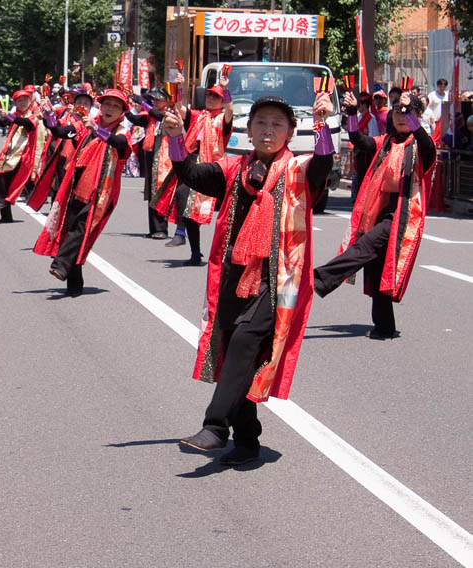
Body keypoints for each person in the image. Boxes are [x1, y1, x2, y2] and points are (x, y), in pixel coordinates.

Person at [164, 93, 334, 465]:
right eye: (261, 123)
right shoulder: (233, 169)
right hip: (232, 274)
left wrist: (323, 123)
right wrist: (176, 139)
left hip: (276, 282)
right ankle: (246, 441)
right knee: (233, 354)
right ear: (249, 129)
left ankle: (215, 426)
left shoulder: (299, 171)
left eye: (277, 124)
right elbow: (191, 174)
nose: (268, 130)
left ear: (290, 132)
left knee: (243, 342)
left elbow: (324, 163)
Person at [313, 91, 434, 340]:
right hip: (378, 212)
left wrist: (408, 108)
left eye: (408, 113)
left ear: (417, 117)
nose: (401, 117)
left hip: (402, 214)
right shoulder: (385, 142)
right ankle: (384, 326)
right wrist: (353, 113)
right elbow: (358, 140)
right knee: (377, 267)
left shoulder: (422, 145)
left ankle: (318, 279)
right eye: (398, 112)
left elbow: (424, 142)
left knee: (363, 248)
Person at [33, 89, 131, 297]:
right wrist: (49, 116)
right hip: (77, 186)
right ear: (100, 107)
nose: (110, 109)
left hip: (102, 191)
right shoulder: (85, 126)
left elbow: (119, 144)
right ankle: (74, 284)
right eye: (107, 104)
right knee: (71, 230)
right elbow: (61, 132)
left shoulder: (122, 131)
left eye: (116, 106)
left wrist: (97, 130)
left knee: (80, 229)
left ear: (122, 111)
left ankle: (60, 264)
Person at [155, 74, 234, 266]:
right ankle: (193, 250)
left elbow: (231, 111)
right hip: (192, 160)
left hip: (213, 167)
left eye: (216, 97)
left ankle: (230, 253)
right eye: (209, 95)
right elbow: (180, 109)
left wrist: (226, 89)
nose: (211, 98)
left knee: (228, 212)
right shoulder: (199, 116)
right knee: (184, 198)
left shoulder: (223, 118)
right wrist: (180, 87)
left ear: (222, 101)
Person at [27, 90, 91, 211]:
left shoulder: (95, 123)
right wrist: (48, 114)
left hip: (85, 166)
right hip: (65, 161)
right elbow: (56, 128)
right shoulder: (70, 119)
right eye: (80, 102)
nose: (83, 105)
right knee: (58, 190)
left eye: (86, 103)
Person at [0, 89, 38, 222]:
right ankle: (6, 216)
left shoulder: (33, 115)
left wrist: (9, 116)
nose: (22, 102)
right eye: (19, 101)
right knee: (4, 182)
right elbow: (2, 124)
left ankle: (3, 200)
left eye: (25, 100)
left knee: (0, 172)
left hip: (23, 156)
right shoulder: (16, 115)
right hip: (10, 154)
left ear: (30, 101)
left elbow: (27, 124)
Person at [125, 88, 172, 238]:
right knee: (151, 193)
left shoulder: (169, 114)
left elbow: (157, 115)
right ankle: (153, 228)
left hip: (164, 158)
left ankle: (161, 229)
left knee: (160, 191)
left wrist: (143, 104)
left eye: (159, 99)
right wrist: (125, 107)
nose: (155, 102)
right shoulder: (150, 116)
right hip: (152, 155)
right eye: (154, 100)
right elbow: (135, 119)